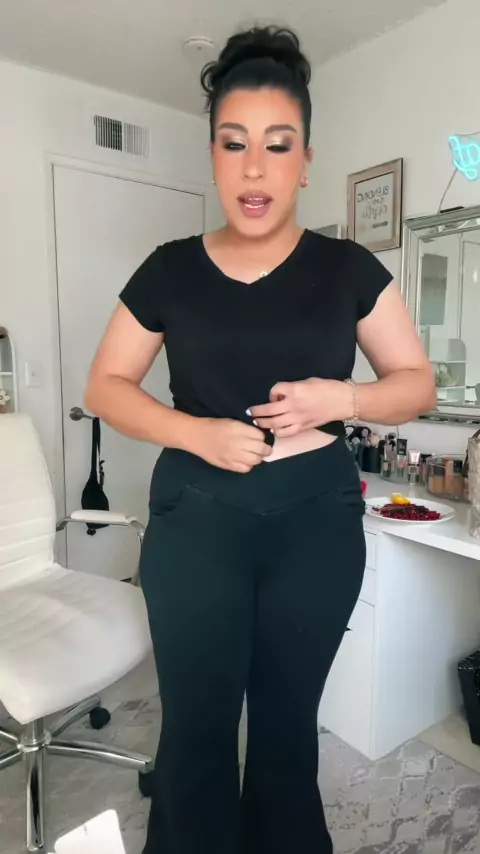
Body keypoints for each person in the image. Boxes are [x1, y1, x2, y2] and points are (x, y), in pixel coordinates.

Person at [85, 25, 435, 854]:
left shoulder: (348, 269)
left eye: (277, 145)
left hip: (315, 520)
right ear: (212, 154)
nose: (254, 168)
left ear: (304, 160)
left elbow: (416, 384)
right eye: (233, 143)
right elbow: (104, 387)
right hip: (197, 515)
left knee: (285, 731)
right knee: (196, 730)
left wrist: (341, 397)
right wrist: (196, 433)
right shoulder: (169, 269)